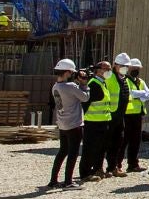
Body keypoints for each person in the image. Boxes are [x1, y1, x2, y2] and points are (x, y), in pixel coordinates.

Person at [48, 59, 87, 189]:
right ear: (67, 72)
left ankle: (53, 180)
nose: (72, 74)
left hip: (63, 123)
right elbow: (85, 97)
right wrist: (83, 84)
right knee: (73, 153)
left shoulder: (55, 86)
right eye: (71, 72)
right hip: (74, 124)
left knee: (62, 151)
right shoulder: (71, 87)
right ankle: (68, 181)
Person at [81, 60, 123, 180]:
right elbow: (86, 103)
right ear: (98, 70)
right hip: (93, 122)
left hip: (103, 121)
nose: (109, 71)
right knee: (89, 148)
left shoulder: (102, 83)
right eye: (106, 69)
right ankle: (85, 173)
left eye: (110, 69)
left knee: (101, 147)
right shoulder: (93, 84)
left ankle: (97, 169)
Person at [120, 57, 149, 173]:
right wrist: (140, 94)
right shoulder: (125, 80)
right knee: (124, 141)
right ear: (128, 68)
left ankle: (133, 164)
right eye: (134, 68)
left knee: (136, 141)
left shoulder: (140, 81)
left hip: (138, 115)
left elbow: (148, 95)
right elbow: (129, 93)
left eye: (138, 69)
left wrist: (137, 94)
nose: (136, 70)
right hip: (126, 114)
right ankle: (117, 165)